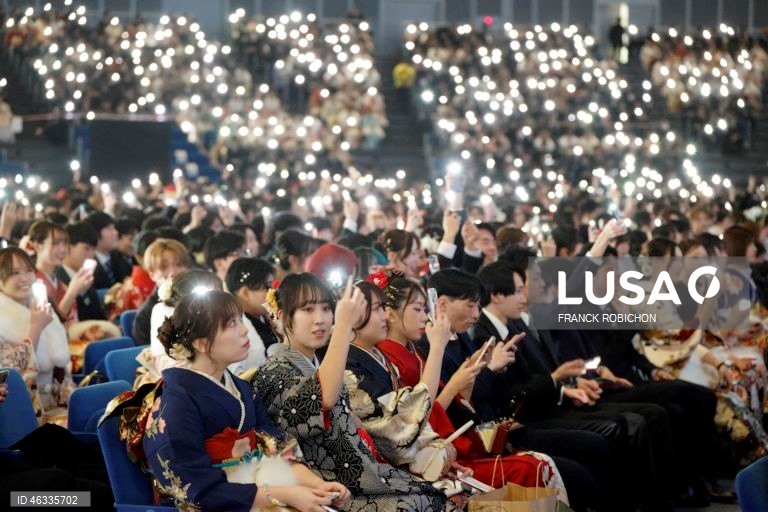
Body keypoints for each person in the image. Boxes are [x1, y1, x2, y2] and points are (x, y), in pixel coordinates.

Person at [348, 278, 568, 499]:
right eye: (417, 309)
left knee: (541, 462)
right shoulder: (393, 355)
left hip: (436, 445)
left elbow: (437, 409)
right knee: (537, 466)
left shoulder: (408, 352)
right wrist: (453, 380)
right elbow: (413, 419)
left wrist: (469, 378)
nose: (425, 316)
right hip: (415, 458)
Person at [252, 273, 449, 511]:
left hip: (359, 476)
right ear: (281, 316)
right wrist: (343, 327)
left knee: (441, 495)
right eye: (307, 309)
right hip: (326, 487)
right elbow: (322, 399)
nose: (321, 319)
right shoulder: (274, 370)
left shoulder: (319, 363)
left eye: (326, 309)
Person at [142, 290, 352, 511]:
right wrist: (284, 494)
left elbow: (277, 447)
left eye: (240, 321)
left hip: (256, 490)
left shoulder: (240, 387)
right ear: (201, 344)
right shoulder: (176, 404)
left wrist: (319, 486)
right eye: (231, 324)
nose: (244, 331)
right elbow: (195, 491)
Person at [0, 247, 72, 423]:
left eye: (29, 270)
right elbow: (11, 374)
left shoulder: (40, 306)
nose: (25, 278)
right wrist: (36, 327)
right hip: (24, 413)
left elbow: (60, 363)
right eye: (14, 273)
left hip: (56, 403)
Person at [27, 220, 94, 325]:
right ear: (37, 245)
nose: (63, 250)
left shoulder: (60, 281)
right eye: (56, 243)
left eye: (65, 243)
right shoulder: (31, 281)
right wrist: (72, 292)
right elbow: (48, 326)